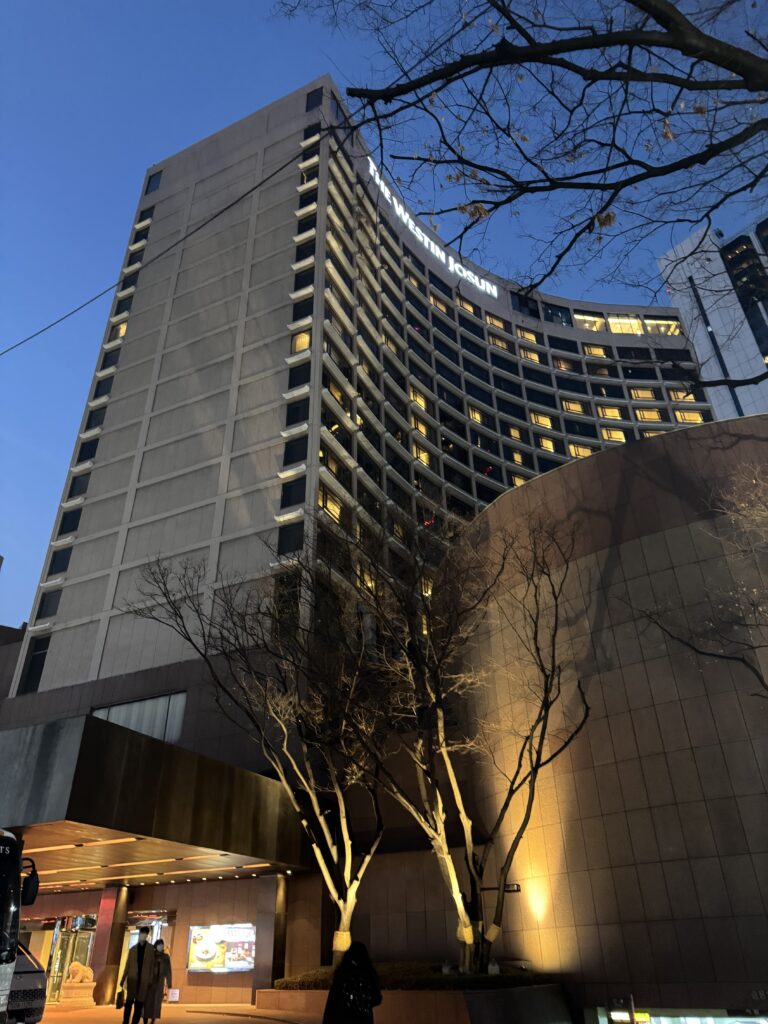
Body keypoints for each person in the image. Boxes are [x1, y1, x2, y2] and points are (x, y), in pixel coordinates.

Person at [322, 941, 382, 1024]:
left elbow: (332, 1001)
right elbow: (377, 998)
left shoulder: (342, 973)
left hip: (343, 1018)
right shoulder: (368, 974)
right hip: (363, 1018)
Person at [119, 926, 156, 1024]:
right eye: (142, 933)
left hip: (144, 981)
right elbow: (127, 966)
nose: (143, 935)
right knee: (128, 1003)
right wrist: (123, 979)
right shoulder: (133, 949)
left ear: (147, 935)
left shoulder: (151, 950)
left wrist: (151, 980)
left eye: (145, 934)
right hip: (132, 980)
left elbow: (153, 967)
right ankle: (125, 1021)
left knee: (139, 1005)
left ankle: (134, 1022)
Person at [143, 938, 172, 1024]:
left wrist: (169, 982)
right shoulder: (151, 956)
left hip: (159, 983)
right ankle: (145, 1018)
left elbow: (168, 970)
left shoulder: (165, 957)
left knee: (156, 1002)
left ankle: (153, 1018)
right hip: (149, 982)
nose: (160, 947)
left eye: (162, 945)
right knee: (147, 1001)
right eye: (159, 945)